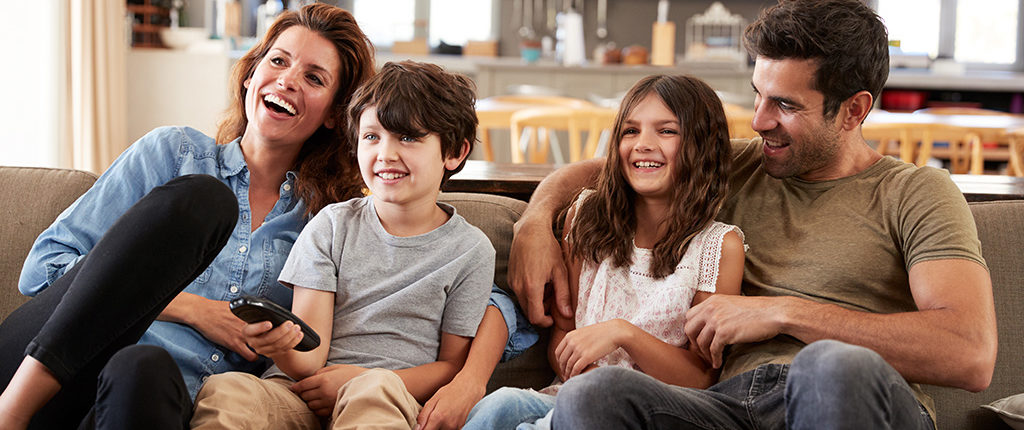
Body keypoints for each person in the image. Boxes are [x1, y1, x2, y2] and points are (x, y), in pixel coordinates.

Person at [508, 0, 997, 428]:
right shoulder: (742, 164)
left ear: (853, 110)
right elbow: (609, 168)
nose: (760, 120)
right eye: (758, 94)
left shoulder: (916, 192)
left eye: (784, 104)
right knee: (597, 393)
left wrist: (783, 313)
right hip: (732, 406)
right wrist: (536, 220)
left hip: (856, 396)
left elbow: (970, 353)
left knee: (830, 366)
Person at [0, 4, 374, 429]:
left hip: (150, 404)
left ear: (332, 113)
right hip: (52, 371)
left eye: (314, 77)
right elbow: (43, 269)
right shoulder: (174, 154)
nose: (287, 80)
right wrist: (195, 310)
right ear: (250, 74)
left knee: (143, 367)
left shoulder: (324, 223)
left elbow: (317, 357)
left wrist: (281, 347)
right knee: (206, 199)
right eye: (278, 60)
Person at [189, 60, 496, 429]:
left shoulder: (471, 250)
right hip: (302, 392)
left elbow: (451, 366)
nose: (385, 153)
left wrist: (357, 380)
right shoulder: (332, 225)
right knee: (228, 390)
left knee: (374, 388)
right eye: (371, 136)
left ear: (455, 152)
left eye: (408, 137)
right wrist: (281, 346)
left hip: (392, 395)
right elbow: (309, 357)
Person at [463, 74, 745, 430]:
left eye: (666, 131)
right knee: (502, 403)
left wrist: (622, 333)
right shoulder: (586, 219)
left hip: (646, 416)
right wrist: (586, 375)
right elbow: (563, 338)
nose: (643, 144)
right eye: (630, 131)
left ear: (703, 146)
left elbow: (701, 378)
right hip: (566, 398)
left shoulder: (719, 248)